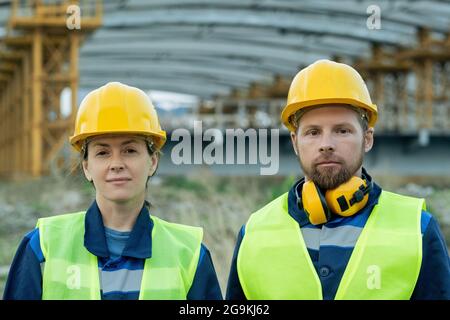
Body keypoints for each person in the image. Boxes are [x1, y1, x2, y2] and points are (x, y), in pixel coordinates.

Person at [226, 59, 450, 300]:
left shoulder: (417, 228)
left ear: (367, 139)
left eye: (342, 130)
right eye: (313, 132)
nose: (326, 145)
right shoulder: (254, 232)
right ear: (294, 142)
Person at [4, 82, 222, 300]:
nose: (116, 163)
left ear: (153, 162)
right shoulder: (43, 247)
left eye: (129, 150)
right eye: (103, 153)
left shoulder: (190, 254)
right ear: (86, 166)